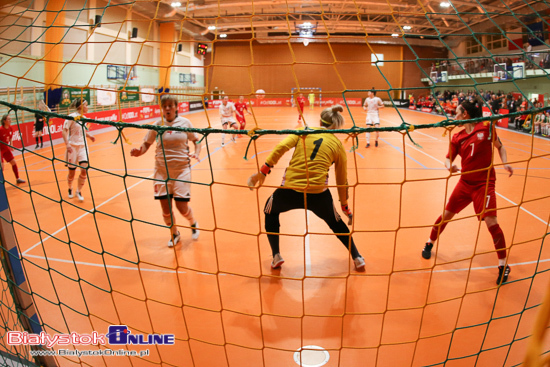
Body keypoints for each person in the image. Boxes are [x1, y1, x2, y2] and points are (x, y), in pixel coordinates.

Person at [247, 105, 365, 271]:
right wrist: (345, 206)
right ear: (336, 126)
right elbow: (341, 179)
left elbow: (281, 147)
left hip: (289, 191)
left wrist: (263, 172)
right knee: (336, 223)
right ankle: (357, 257)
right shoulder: (337, 145)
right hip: (318, 195)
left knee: (270, 211)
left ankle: (276, 256)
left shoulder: (304, 131)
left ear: (320, 120)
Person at [422, 99, 514, 285]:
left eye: (456, 112)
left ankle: (503, 265)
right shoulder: (457, 137)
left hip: (484, 184)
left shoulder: (486, 128)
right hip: (465, 183)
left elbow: (500, 146)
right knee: (446, 215)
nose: (454, 115)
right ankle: (429, 243)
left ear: (465, 114)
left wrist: (505, 163)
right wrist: (450, 167)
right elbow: (447, 160)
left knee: (491, 223)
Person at [130, 94, 201, 246]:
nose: (168, 108)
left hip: (182, 170)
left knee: (181, 207)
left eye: (170, 105)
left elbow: (196, 140)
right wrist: (138, 152)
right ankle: (174, 234)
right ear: (162, 108)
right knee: (166, 210)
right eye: (165, 106)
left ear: (176, 107)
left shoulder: (185, 123)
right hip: (161, 172)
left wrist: (197, 152)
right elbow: (146, 144)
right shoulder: (157, 125)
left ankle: (193, 223)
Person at [62, 98, 96, 201]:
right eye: (86, 105)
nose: (87, 107)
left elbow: (82, 131)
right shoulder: (71, 117)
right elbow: (64, 131)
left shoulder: (84, 118)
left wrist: (89, 136)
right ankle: (70, 188)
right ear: (80, 106)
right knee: (72, 173)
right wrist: (67, 144)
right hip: (72, 147)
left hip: (83, 147)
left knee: (84, 170)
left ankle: (78, 191)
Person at [0, 115, 25, 184]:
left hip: (6, 148)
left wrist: (11, 145)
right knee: (1, 167)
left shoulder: (10, 128)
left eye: (10, 119)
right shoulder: (1, 129)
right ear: (4, 121)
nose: (10, 120)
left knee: (13, 162)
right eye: (8, 119)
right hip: (0, 150)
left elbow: (10, 138)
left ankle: (17, 178)